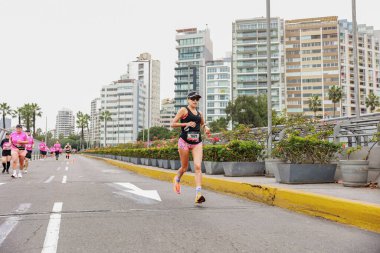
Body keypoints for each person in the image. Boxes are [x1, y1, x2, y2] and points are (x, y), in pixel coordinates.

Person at [170, 91, 211, 204]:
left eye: (197, 99)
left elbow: (203, 124)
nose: (195, 101)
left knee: (198, 166)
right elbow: (172, 123)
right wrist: (186, 124)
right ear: (188, 100)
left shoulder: (199, 113)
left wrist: (206, 128)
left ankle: (198, 194)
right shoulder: (184, 110)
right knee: (184, 167)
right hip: (184, 142)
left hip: (197, 142)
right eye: (193, 98)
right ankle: (177, 178)